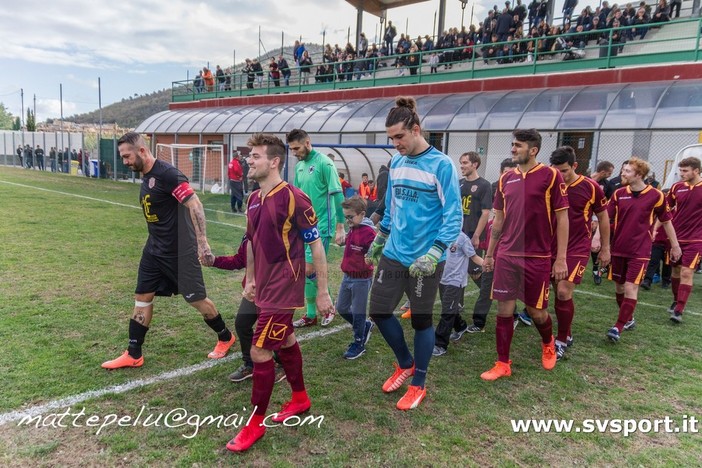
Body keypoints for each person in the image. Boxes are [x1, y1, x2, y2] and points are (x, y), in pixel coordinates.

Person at [225, 133, 333, 452]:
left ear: (274, 162)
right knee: (284, 340)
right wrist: (252, 278)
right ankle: (300, 398)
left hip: (286, 284)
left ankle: (255, 425)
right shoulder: (253, 199)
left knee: (260, 350)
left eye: (255, 156)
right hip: (265, 285)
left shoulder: (294, 198)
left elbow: (316, 246)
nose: (249, 160)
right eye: (249, 155)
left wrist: (323, 292)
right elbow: (252, 244)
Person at [101, 132, 235, 370]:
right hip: (154, 249)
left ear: (142, 151)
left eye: (127, 156)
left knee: (197, 300)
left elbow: (195, 204)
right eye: (122, 158)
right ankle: (134, 353)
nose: (125, 162)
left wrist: (202, 241)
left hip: (179, 252)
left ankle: (225, 337)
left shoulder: (168, 174)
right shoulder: (146, 175)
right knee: (142, 296)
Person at [365, 96, 462, 410]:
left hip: (426, 259)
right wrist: (380, 238)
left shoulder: (442, 165)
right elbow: (392, 207)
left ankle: (418, 382)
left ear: (416, 130)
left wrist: (435, 252)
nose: (395, 144)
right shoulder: (396, 163)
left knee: (421, 322)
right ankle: (404, 363)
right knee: (378, 311)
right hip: (395, 252)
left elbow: (454, 215)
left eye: (400, 137)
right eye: (391, 138)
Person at [481, 129, 569, 381]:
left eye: (517, 145)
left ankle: (548, 342)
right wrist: (490, 254)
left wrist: (560, 258)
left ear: (533, 150)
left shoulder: (550, 176)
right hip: (508, 254)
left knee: (536, 311)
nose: (512, 149)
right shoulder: (505, 179)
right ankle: (502, 363)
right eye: (512, 144)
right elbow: (498, 220)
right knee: (504, 310)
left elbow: (562, 219)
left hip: (538, 256)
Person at [605, 157, 681, 342]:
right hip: (619, 248)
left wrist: (675, 245)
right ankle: (629, 319)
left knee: (631, 286)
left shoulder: (656, 195)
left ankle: (618, 326)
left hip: (640, 250)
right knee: (620, 287)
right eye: (623, 170)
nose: (622, 174)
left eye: (627, 171)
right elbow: (605, 218)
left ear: (639, 175)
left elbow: (666, 221)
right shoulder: (618, 193)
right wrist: (600, 239)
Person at [549, 146, 610, 360]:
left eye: (564, 171)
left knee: (564, 291)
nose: (559, 175)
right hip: (549, 246)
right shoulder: (549, 184)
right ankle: (567, 331)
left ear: (575, 166)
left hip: (577, 247)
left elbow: (603, 218)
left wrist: (604, 247)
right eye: (555, 170)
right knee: (558, 290)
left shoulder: (591, 187)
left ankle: (562, 339)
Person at [204, 234, 286, 384]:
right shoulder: (247, 236)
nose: (246, 214)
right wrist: (215, 261)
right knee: (242, 324)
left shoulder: (274, 232)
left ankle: (282, 362)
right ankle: (250, 364)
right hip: (254, 291)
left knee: (271, 330)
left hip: (273, 290)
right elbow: (239, 260)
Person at [287, 128, 345, 328]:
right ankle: (311, 314)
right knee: (303, 271)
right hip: (302, 227)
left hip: (321, 226)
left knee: (311, 268)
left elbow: (338, 195)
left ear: (307, 142)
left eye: (296, 148)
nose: (294, 152)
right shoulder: (300, 166)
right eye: (292, 149)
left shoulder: (325, 163)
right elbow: (296, 195)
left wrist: (340, 227)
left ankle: (328, 306)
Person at [336, 196, 376, 359]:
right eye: (346, 217)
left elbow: (375, 252)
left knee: (359, 312)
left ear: (362, 214)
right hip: (348, 277)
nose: (348, 221)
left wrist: (371, 257)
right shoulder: (354, 228)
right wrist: (344, 240)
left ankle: (359, 343)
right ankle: (364, 326)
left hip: (361, 279)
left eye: (350, 217)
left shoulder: (369, 233)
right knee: (342, 308)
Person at [433, 231, 484, 356]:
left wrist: (488, 264)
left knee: (447, 312)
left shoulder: (462, 238)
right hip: (442, 278)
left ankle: (440, 344)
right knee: (449, 307)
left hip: (455, 280)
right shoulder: (438, 233)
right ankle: (461, 326)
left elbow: (474, 257)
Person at [665, 157, 702, 323]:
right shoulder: (676, 187)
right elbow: (664, 211)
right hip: (676, 238)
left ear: (696, 171)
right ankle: (675, 299)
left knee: (687, 272)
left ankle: (679, 310)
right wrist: (654, 228)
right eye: (680, 170)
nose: (681, 174)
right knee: (676, 271)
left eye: (685, 171)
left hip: (696, 239)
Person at [589, 160, 615, 284]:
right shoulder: (585, 180)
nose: (610, 175)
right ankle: (595, 270)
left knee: (598, 246)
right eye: (609, 173)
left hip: (599, 220)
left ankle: (598, 272)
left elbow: (607, 207)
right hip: (585, 219)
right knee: (591, 249)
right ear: (603, 172)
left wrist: (595, 220)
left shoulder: (608, 185)